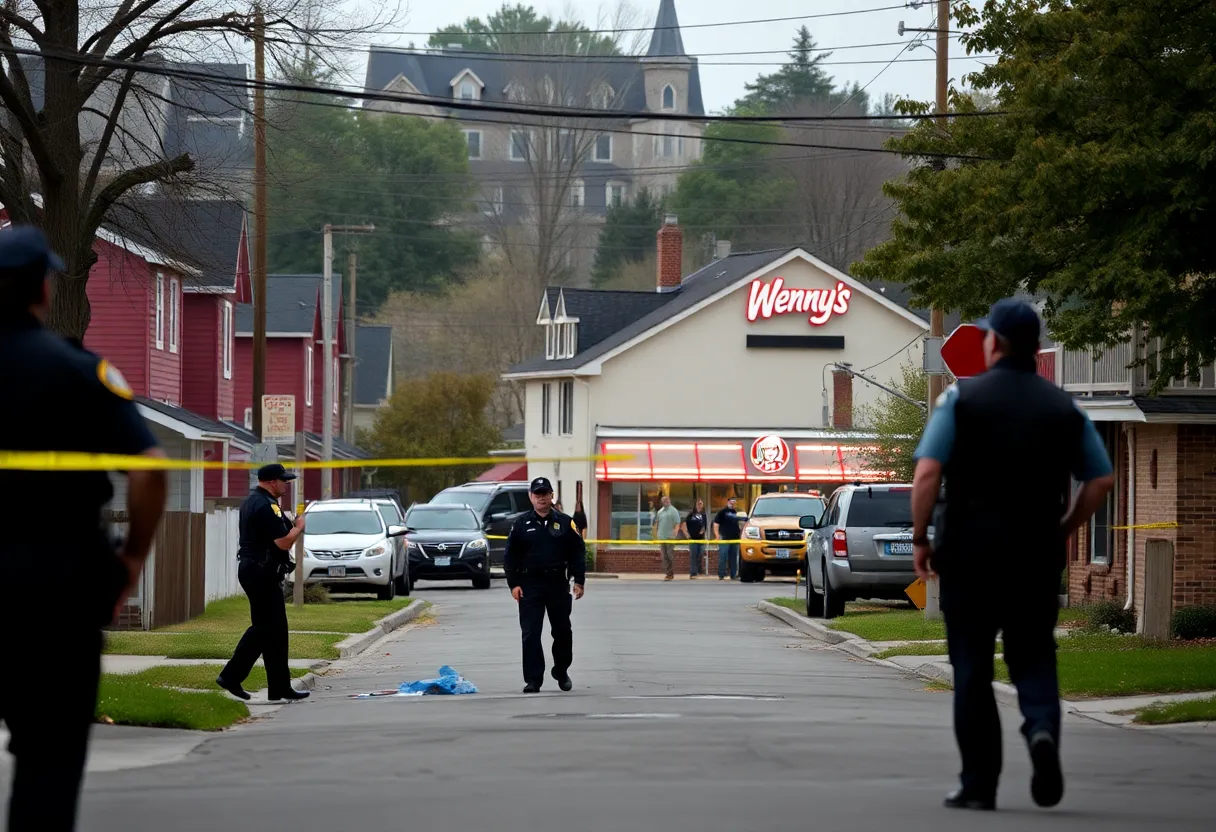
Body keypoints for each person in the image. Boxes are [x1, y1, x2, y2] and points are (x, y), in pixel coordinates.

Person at [910, 298, 1115, 813]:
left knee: (973, 667)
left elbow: (927, 474)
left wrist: (920, 538)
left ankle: (979, 783)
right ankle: (1042, 730)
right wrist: (1066, 526)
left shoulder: (961, 399)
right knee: (1033, 654)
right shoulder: (1063, 408)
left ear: (994, 342)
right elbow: (1101, 479)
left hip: (968, 549)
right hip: (1033, 550)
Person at [0, 225, 168, 831]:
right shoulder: (80, 372)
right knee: (48, 761)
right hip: (57, 590)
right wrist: (132, 558)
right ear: (43, 288)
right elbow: (149, 472)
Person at [217, 463, 310, 702]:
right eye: (284, 481)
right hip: (261, 571)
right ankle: (231, 675)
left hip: (256, 570)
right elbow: (282, 543)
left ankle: (279, 688)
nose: (286, 486)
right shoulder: (266, 506)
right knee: (265, 628)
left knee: (276, 631)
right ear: (271, 482)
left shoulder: (253, 502)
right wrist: (299, 528)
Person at [504, 477, 586, 693]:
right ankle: (533, 679)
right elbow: (510, 556)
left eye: (545, 493)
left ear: (552, 496)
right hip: (530, 585)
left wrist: (579, 580)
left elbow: (578, 552)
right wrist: (513, 584)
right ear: (531, 497)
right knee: (531, 633)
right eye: (537, 494)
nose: (541, 498)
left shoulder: (566, 522)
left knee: (562, 631)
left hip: (557, 583)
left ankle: (561, 670)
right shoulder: (521, 524)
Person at [653, 494, 682, 581]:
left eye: (667, 500)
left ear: (669, 501)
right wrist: (656, 534)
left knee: (670, 555)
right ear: (662, 502)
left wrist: (675, 532)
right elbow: (657, 523)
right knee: (664, 556)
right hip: (662, 538)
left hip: (670, 538)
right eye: (664, 501)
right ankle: (669, 573)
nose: (665, 502)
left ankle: (671, 572)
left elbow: (677, 523)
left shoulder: (673, 511)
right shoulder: (660, 512)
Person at [713, 497, 743, 581]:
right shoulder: (722, 512)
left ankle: (733, 574)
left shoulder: (737, 512)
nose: (733, 504)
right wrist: (717, 535)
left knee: (733, 557)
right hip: (724, 538)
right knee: (723, 556)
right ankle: (721, 574)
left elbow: (741, 524)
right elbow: (716, 524)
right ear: (728, 502)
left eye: (734, 502)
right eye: (731, 502)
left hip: (735, 538)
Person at [682, 498, 708, 579]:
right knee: (693, 555)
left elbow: (705, 526)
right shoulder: (691, 514)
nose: (700, 505)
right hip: (693, 539)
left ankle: (699, 570)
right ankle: (693, 573)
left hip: (701, 539)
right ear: (695, 505)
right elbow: (683, 526)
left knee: (700, 555)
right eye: (698, 504)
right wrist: (687, 535)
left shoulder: (704, 515)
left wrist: (703, 530)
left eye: (701, 504)